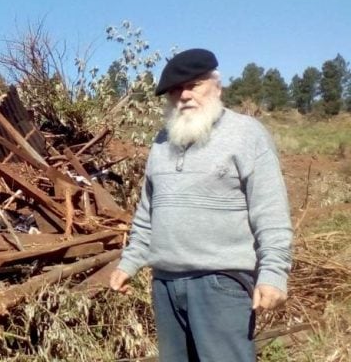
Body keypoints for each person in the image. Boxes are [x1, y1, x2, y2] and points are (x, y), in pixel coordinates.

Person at [109, 48, 293, 362]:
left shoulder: (246, 135)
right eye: (175, 90)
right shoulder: (162, 142)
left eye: (192, 85)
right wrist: (129, 262)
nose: (183, 95)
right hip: (166, 285)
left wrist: (273, 273)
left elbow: (271, 212)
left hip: (221, 284)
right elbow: (147, 213)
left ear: (215, 85)